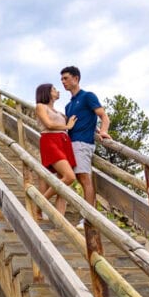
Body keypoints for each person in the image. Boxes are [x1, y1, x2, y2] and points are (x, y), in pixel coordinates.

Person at [60, 66, 110, 214]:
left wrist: (103, 131)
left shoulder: (88, 96)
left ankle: (89, 217)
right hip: (70, 143)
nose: (63, 82)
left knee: (84, 179)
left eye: (66, 78)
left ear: (76, 79)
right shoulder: (68, 105)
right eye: (62, 79)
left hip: (83, 143)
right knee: (72, 178)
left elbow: (104, 116)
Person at [34, 83, 77, 216]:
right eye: (54, 89)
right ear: (46, 92)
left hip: (64, 142)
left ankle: (59, 219)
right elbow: (48, 124)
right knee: (69, 177)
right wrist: (68, 126)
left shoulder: (60, 113)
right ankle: (40, 202)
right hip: (50, 141)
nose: (58, 91)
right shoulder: (41, 106)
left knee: (63, 181)